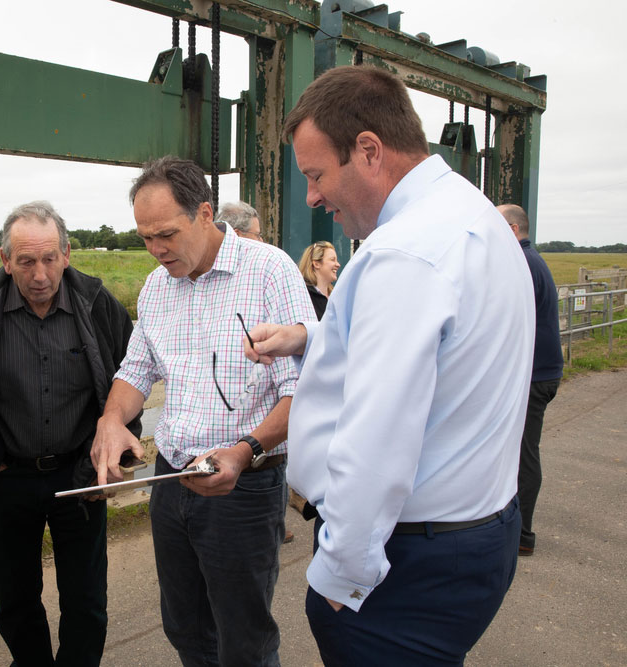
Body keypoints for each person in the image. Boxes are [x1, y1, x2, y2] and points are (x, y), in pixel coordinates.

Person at [244, 66, 534, 664]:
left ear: (369, 150)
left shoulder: (403, 254)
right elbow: (441, 353)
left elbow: (375, 442)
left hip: (407, 564)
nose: (312, 198)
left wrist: (340, 577)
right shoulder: (472, 217)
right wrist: (307, 337)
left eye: (316, 174)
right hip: (479, 530)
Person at [91, 156, 315, 666]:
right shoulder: (156, 286)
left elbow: (302, 391)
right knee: (186, 630)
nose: (156, 250)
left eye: (166, 233)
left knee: (244, 641)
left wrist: (243, 451)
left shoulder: (269, 271)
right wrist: (111, 420)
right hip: (172, 481)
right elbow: (135, 370)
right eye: (145, 237)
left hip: (244, 483)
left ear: (205, 212)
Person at [0, 201, 139, 666]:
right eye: (25, 262)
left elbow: (131, 380)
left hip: (78, 475)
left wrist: (108, 462)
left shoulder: (99, 305)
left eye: (49, 259)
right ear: (5, 261)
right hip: (10, 477)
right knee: (15, 604)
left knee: (86, 605)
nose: (39, 274)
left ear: (67, 253)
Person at [498, 203, 563, 557]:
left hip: (534, 376)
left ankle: (522, 534)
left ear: (512, 230)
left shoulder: (521, 261)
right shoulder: (531, 259)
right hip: (541, 371)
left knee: (524, 453)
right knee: (522, 450)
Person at [298, 240, 340, 320]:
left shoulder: (336, 296)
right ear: (316, 264)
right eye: (332, 260)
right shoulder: (304, 295)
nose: (338, 264)